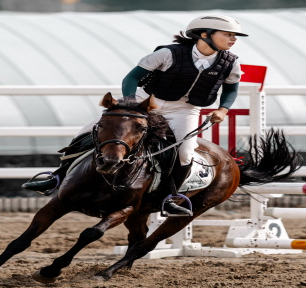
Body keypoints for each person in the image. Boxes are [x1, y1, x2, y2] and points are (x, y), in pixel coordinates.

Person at [23, 15, 247, 216]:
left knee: (185, 152)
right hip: (146, 102)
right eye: (227, 34)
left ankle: (169, 197)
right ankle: (57, 177)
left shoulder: (231, 62)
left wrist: (223, 109)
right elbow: (130, 79)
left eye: (234, 35)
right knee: (88, 130)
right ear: (205, 35)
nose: (233, 39)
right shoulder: (167, 53)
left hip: (185, 109)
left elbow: (231, 89)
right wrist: (131, 105)